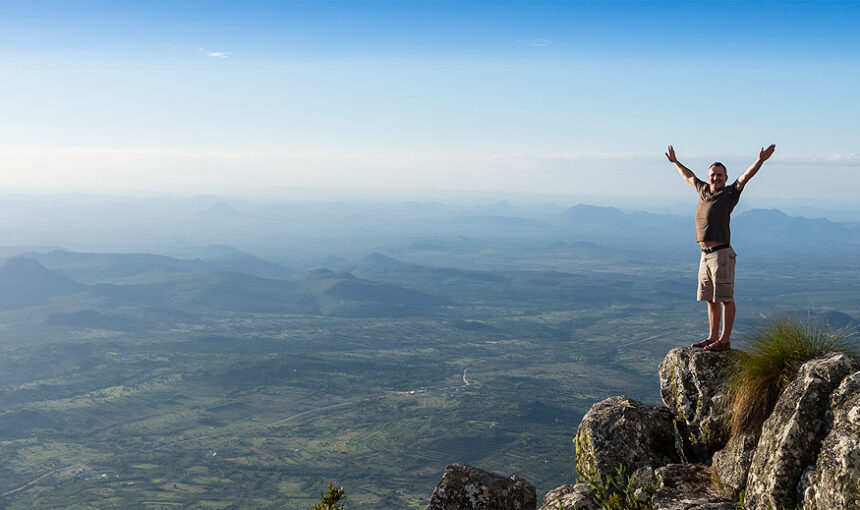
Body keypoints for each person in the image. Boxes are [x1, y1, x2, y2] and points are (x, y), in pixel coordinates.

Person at [666, 144, 776, 351]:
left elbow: (745, 177)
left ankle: (724, 340)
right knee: (710, 298)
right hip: (704, 254)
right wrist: (675, 162)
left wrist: (760, 160)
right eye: (712, 175)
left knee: (725, 298)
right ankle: (712, 337)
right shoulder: (703, 190)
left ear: (725, 178)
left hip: (721, 253)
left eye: (719, 175)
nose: (715, 178)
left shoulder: (730, 194)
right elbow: (688, 176)